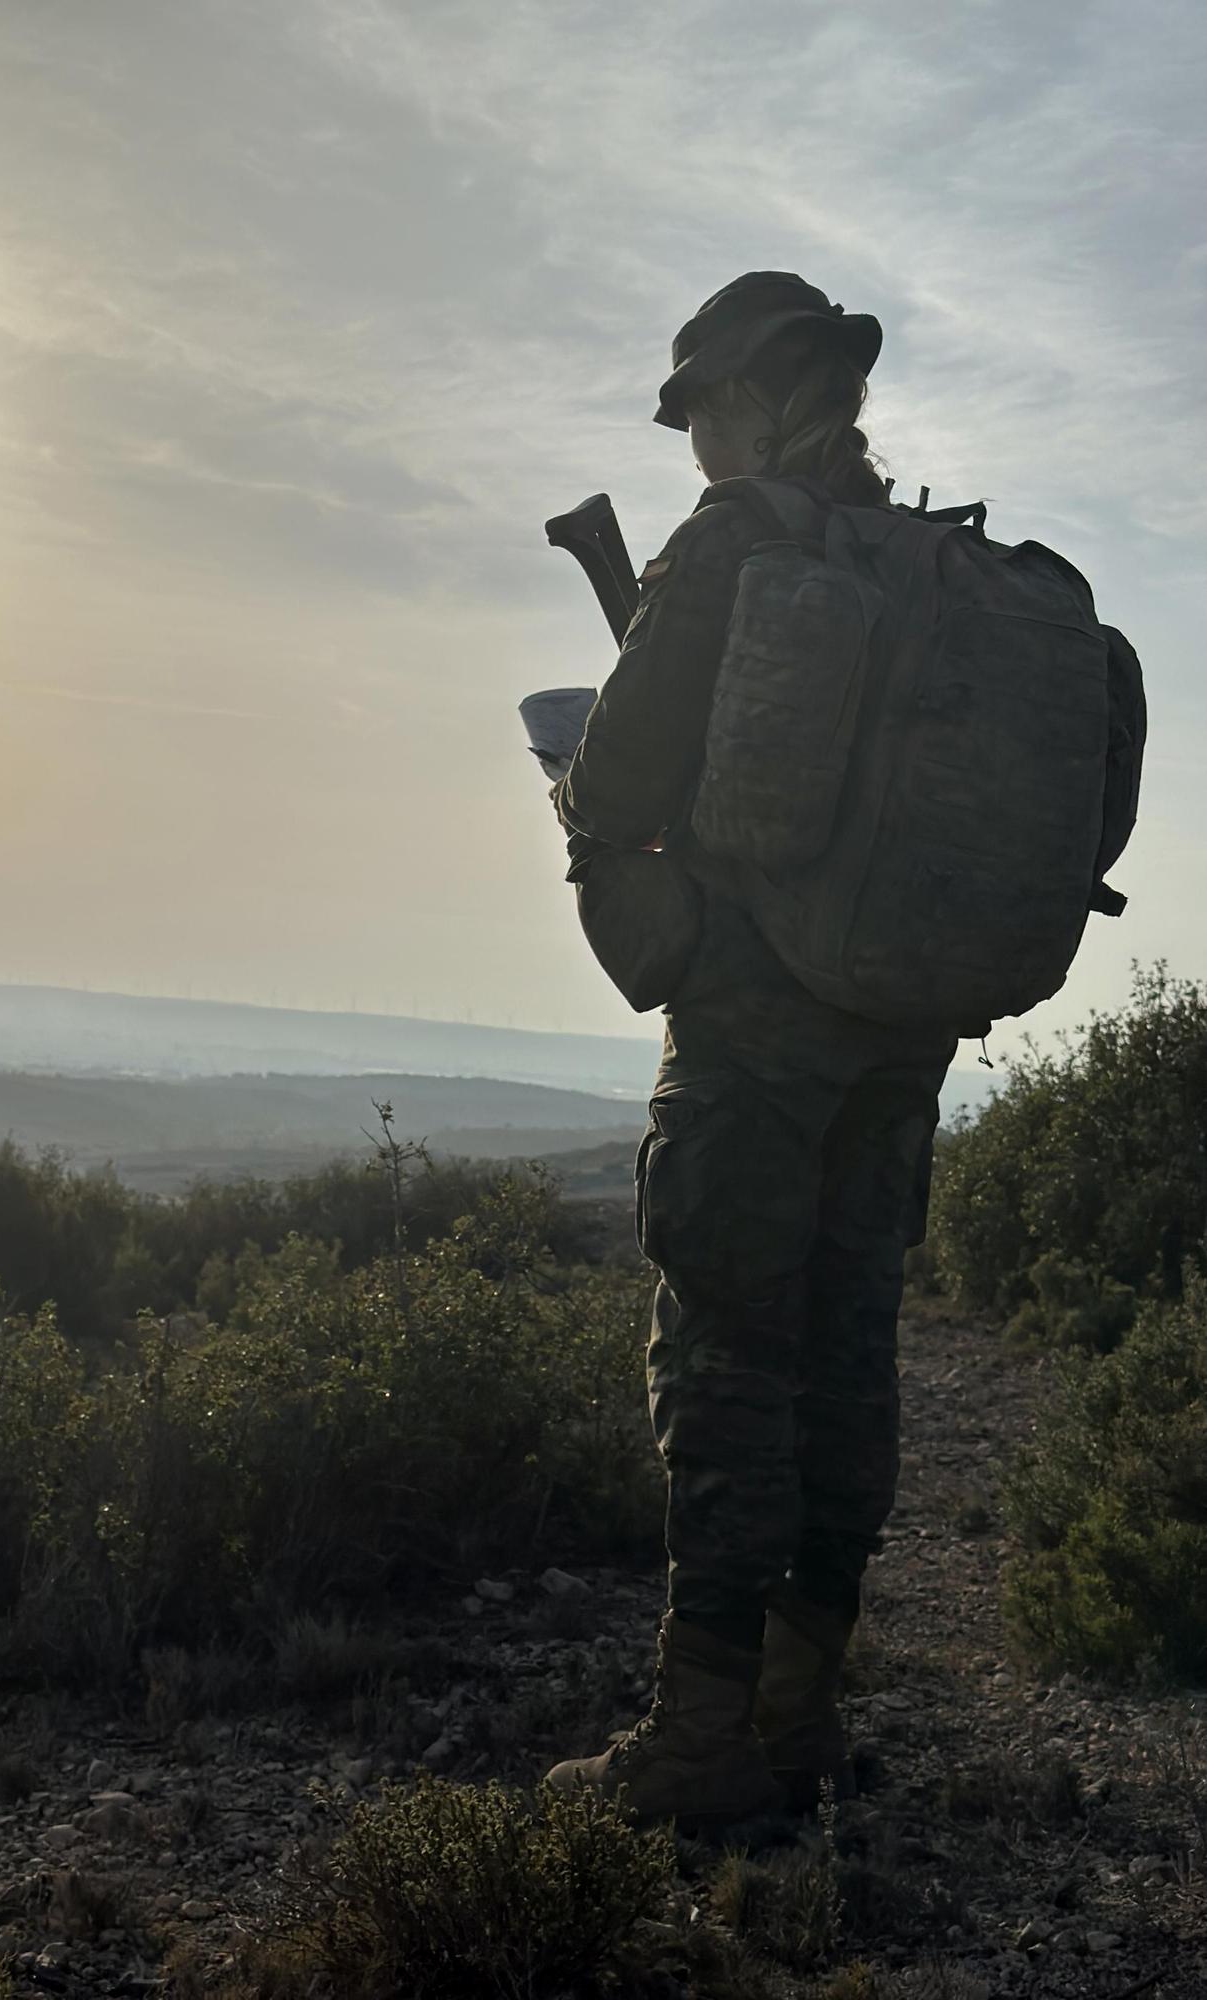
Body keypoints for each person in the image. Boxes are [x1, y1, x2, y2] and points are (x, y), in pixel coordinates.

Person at [544, 272, 961, 1833]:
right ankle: (801, 1715)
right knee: (851, 1356)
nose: (696, 440)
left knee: (723, 1360)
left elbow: (620, 782)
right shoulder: (930, 558)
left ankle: (700, 1737)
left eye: (702, 408)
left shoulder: (734, 544)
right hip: (899, 1028)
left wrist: (583, 783)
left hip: (757, 1030)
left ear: (755, 393)